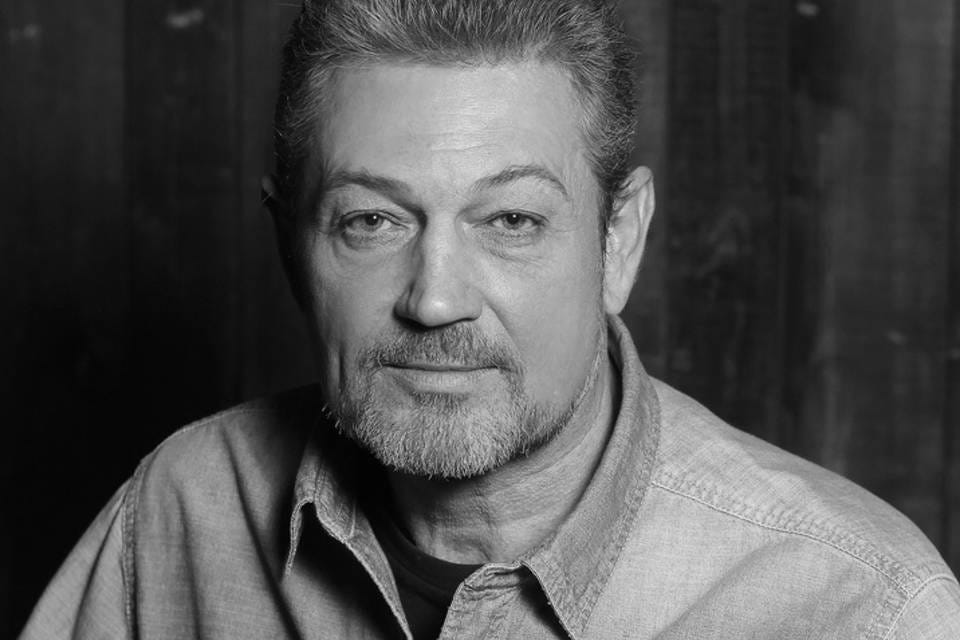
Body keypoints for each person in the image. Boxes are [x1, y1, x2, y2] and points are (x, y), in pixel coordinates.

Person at [20, 0, 960, 638]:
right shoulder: (180, 515)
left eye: (510, 221)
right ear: (289, 247)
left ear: (619, 242)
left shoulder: (866, 610)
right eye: (372, 221)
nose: (435, 301)